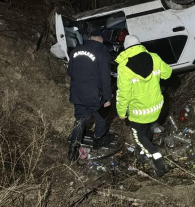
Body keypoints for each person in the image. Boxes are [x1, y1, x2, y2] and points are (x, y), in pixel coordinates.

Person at [115, 35, 172, 177]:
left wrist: (121, 112)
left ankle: (157, 159)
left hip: (139, 112)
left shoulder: (124, 67)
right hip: (156, 107)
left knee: (139, 135)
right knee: (146, 128)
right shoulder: (154, 57)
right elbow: (168, 73)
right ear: (139, 45)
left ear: (126, 48)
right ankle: (140, 153)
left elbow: (123, 94)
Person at [67, 29, 114, 161]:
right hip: (95, 95)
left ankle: (73, 147)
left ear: (89, 37)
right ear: (101, 40)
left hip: (78, 93)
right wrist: (108, 98)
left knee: (80, 120)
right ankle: (98, 140)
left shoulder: (75, 51)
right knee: (101, 119)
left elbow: (70, 72)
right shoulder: (103, 54)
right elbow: (106, 79)